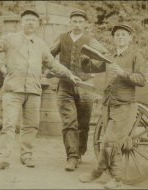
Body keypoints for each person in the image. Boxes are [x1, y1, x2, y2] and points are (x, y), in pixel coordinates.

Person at [0, 10, 80, 171]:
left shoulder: (41, 44)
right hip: (13, 90)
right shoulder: (10, 39)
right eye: (27, 20)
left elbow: (52, 64)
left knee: (32, 125)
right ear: (21, 23)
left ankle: (26, 155)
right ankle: (2, 159)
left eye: (34, 20)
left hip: (34, 91)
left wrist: (69, 74)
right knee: (9, 125)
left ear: (38, 25)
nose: (30, 22)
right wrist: (0, 65)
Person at [78, 24, 146, 189]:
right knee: (112, 142)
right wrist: (85, 59)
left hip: (125, 105)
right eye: (117, 35)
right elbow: (89, 68)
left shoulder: (136, 56)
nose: (120, 37)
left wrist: (124, 73)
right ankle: (113, 176)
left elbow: (142, 80)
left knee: (109, 141)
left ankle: (100, 172)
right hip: (108, 104)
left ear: (130, 38)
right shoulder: (110, 56)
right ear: (114, 39)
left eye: (123, 35)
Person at [50, 10, 108, 171]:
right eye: (74, 21)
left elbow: (105, 56)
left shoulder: (90, 40)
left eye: (80, 21)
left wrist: (91, 66)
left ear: (85, 24)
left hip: (86, 86)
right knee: (69, 122)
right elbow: (48, 55)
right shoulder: (62, 38)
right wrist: (53, 69)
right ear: (70, 23)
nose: (76, 24)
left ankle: (80, 152)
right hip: (65, 85)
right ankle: (72, 156)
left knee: (83, 123)